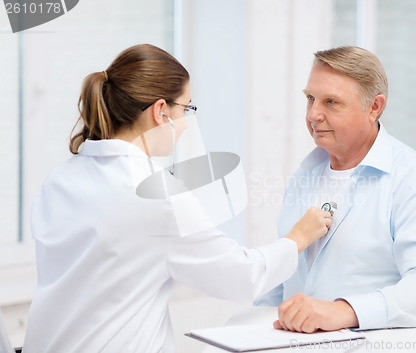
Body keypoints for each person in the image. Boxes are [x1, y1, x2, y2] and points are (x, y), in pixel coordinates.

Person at [22, 44, 333, 353]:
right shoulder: (155, 195)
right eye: (186, 109)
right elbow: (241, 276)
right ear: (161, 111)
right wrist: (298, 236)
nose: (186, 123)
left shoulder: (60, 178)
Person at [255, 46, 416, 333]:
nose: (314, 114)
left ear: (374, 107)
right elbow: (283, 283)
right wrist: (254, 328)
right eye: (310, 99)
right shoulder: (306, 173)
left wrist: (344, 311)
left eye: (331, 102)